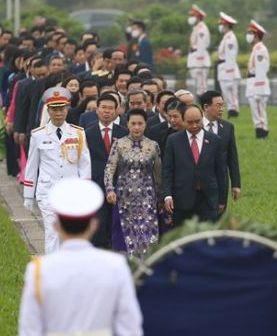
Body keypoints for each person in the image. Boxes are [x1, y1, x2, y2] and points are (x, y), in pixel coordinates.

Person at [17, 178, 143, 336]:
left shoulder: (39, 271)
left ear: (56, 225)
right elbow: (130, 332)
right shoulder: (115, 267)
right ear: (94, 225)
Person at [23, 88, 91, 254]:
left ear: (67, 109)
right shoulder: (38, 135)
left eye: (61, 109)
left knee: (70, 233)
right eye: (54, 109)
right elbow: (32, 166)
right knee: (52, 231)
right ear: (48, 111)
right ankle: (51, 269)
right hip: (48, 190)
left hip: (72, 191)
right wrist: (28, 195)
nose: (58, 113)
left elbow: (84, 164)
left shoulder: (78, 133)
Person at [104, 108, 162, 257]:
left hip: (147, 198)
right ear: (127, 124)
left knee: (147, 232)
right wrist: (110, 189)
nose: (136, 127)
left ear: (145, 125)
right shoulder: (119, 144)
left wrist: (160, 196)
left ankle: (147, 267)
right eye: (133, 123)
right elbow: (109, 169)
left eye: (140, 124)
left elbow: (159, 174)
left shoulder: (153, 146)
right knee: (124, 233)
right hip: (123, 197)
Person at [162, 105, 228, 227]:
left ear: (202, 118)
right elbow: (167, 170)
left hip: (207, 198)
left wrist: (222, 200)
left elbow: (221, 172)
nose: (194, 126)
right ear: (183, 120)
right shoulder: (173, 140)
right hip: (182, 198)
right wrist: (167, 195)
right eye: (190, 122)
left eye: (197, 121)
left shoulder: (215, 141)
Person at [84, 94, 129, 249]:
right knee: (99, 221)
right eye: (103, 107)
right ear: (97, 110)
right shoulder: (87, 133)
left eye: (111, 108)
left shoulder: (124, 132)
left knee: (117, 221)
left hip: (119, 183)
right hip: (95, 182)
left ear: (117, 111)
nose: (107, 111)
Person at [200, 90, 241, 212]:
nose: (221, 109)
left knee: (219, 215)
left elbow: (232, 157)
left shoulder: (228, 127)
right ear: (206, 107)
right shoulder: (195, 125)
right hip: (198, 182)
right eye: (218, 105)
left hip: (220, 182)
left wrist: (236, 184)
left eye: (222, 105)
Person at [245, 20, 270, 139]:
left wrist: (259, 88)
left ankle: (262, 133)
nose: (248, 36)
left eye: (251, 33)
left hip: (257, 83)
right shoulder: (256, 48)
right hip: (253, 82)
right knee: (255, 110)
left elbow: (261, 69)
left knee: (259, 110)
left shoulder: (260, 49)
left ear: (256, 36)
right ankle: (260, 131)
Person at [216, 12, 241, 118]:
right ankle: (232, 111)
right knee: (227, 93)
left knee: (230, 93)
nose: (220, 26)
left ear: (226, 25)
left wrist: (230, 74)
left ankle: (233, 112)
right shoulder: (226, 37)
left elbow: (230, 56)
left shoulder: (230, 38)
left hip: (228, 69)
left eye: (222, 24)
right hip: (223, 68)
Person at [186, 5, 210, 95]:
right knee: (198, 86)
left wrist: (200, 61)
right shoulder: (196, 28)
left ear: (198, 17)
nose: (191, 18)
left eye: (193, 16)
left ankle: (205, 106)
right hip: (195, 59)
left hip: (200, 60)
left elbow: (201, 46)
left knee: (202, 87)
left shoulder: (201, 29)